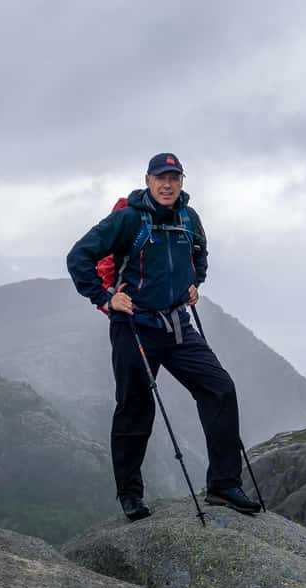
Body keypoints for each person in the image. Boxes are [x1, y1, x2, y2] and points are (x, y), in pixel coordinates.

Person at [66, 153, 262, 521]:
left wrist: (194, 282)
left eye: (174, 177)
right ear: (148, 180)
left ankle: (223, 485)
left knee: (219, 388)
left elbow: (199, 255)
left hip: (176, 325)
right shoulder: (128, 219)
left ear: (182, 182)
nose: (167, 184)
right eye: (161, 178)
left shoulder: (189, 218)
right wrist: (105, 298)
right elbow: (79, 257)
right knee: (135, 408)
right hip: (133, 325)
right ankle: (130, 495)